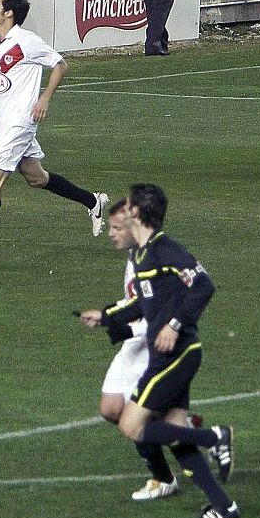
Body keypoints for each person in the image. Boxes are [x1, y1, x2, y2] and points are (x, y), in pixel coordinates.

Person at [85, 182, 238, 518]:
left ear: (137, 212)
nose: (123, 210)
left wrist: (174, 323)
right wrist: (105, 317)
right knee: (173, 433)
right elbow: (142, 304)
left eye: (128, 205)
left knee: (132, 425)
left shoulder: (165, 250)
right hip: (166, 355)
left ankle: (214, 437)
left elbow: (204, 285)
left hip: (176, 355)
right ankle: (224, 507)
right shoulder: (141, 256)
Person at [0, 0, 109, 268]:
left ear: (8, 12)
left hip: (21, 123)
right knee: (37, 178)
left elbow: (60, 65)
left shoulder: (27, 41)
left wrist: (44, 98)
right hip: (7, 123)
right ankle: (93, 202)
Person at [77, 198, 184, 502]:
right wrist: (108, 315)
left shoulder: (153, 262)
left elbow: (159, 314)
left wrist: (123, 327)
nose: (110, 234)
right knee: (111, 409)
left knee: (130, 419)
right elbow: (135, 302)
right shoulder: (135, 256)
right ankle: (184, 427)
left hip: (154, 345)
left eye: (116, 228)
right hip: (135, 344)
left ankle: (165, 476)